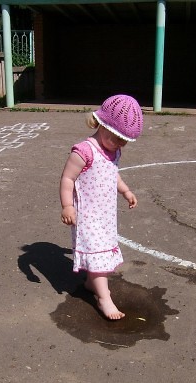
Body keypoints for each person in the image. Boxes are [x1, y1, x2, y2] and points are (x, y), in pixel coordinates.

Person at [60, 94, 143, 320]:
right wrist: (68, 206)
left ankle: (90, 282)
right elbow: (67, 179)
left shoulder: (114, 150)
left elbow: (112, 174)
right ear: (102, 124)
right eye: (115, 138)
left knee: (103, 252)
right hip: (87, 216)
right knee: (98, 255)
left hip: (105, 215)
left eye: (123, 141)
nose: (118, 144)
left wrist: (125, 191)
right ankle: (103, 297)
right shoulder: (84, 151)